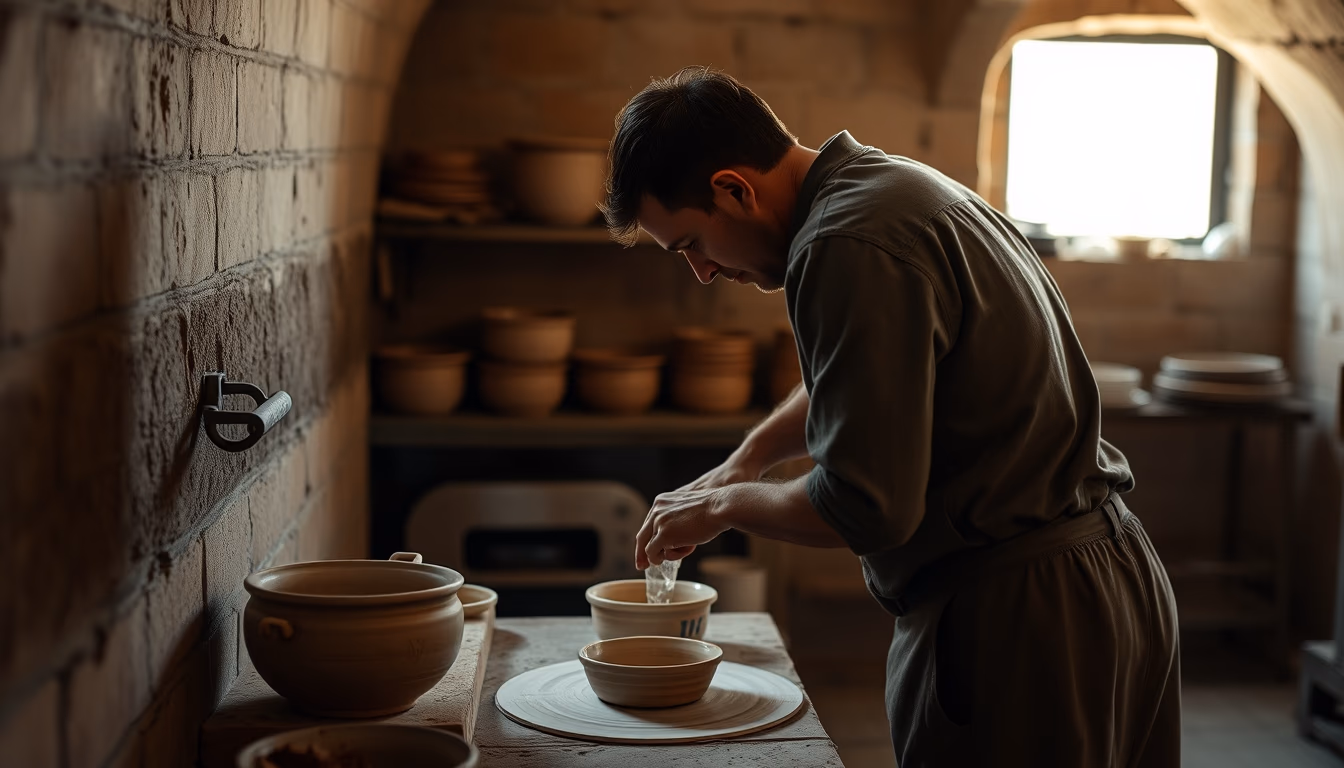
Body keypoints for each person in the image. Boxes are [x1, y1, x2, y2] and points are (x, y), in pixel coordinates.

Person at [603, 67, 1181, 767]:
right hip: (1110, 578)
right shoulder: (893, 190)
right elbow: (868, 374)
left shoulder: (841, 244)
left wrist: (725, 507)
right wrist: (746, 459)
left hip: (1019, 619)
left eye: (690, 243)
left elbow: (865, 507)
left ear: (734, 189)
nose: (701, 271)